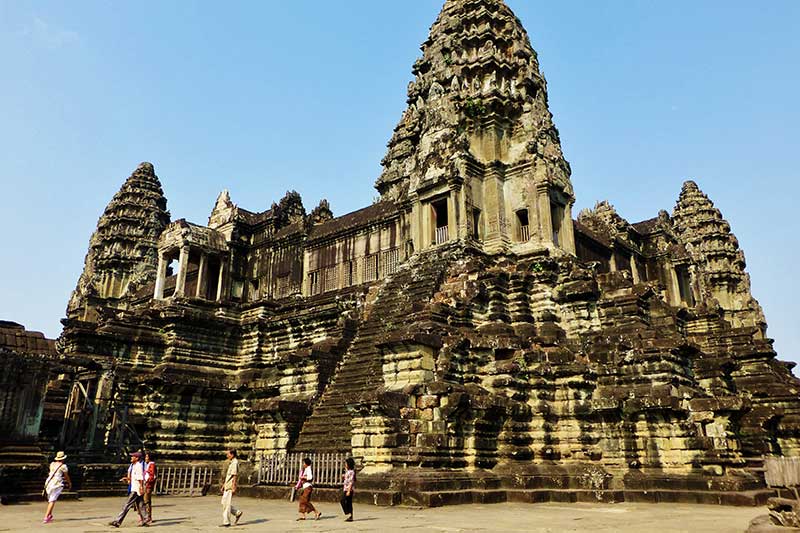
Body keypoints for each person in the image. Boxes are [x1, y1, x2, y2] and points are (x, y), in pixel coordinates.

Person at [109, 452, 150, 528]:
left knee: (127, 505)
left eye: (133, 457)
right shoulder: (133, 466)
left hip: (136, 489)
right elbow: (135, 477)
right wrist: (127, 478)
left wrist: (141, 487)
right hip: (135, 487)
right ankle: (145, 518)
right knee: (140, 504)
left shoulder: (138, 466)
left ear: (137, 458)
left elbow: (140, 478)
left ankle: (118, 521)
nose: (131, 458)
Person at [42, 451, 72, 524]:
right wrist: (69, 483)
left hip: (49, 482)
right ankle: (46, 516)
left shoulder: (52, 464)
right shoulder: (63, 466)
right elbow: (66, 476)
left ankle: (49, 515)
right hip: (56, 483)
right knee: (52, 500)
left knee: (51, 499)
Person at [220, 449, 243, 527]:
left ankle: (226, 522)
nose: (227, 456)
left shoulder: (235, 463)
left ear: (232, 454)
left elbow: (234, 476)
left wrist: (233, 486)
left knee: (226, 504)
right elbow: (228, 476)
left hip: (230, 486)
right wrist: (224, 485)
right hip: (227, 485)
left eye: (228, 454)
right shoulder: (231, 463)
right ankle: (237, 512)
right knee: (224, 503)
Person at [340, 457, 356, 522]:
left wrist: (349, 490)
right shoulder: (347, 471)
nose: (345, 465)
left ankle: (348, 513)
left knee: (343, 500)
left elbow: (351, 481)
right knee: (348, 502)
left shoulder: (352, 472)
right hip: (345, 488)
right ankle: (350, 516)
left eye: (346, 463)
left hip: (349, 489)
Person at [143, 452, 157, 522]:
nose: (145, 458)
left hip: (148, 485)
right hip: (148, 484)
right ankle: (148, 516)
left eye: (147, 457)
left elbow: (152, 476)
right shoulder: (149, 464)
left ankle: (148, 516)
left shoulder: (151, 465)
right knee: (147, 501)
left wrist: (147, 482)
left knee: (146, 501)